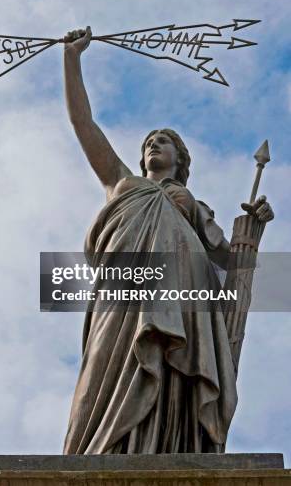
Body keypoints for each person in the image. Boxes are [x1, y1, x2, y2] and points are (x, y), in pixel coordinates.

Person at [62, 27, 274, 454]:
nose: (153, 145)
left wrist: (252, 231)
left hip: (188, 292)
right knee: (108, 362)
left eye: (163, 141)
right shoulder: (124, 183)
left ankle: (168, 449)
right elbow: (84, 125)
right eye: (148, 143)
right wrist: (72, 60)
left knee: (177, 372)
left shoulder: (193, 205)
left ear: (180, 159)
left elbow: (230, 263)